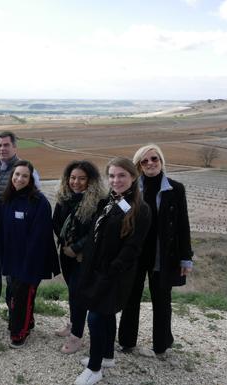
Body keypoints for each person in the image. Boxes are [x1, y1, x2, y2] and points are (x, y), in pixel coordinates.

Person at [74, 157, 151, 385]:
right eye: (112, 175)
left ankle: (94, 368)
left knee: (96, 317)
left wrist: (110, 272)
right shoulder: (110, 201)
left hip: (115, 274)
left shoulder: (141, 209)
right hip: (96, 269)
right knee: (105, 314)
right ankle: (107, 356)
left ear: (133, 177)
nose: (116, 180)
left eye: (121, 175)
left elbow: (132, 248)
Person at [118, 144, 194, 356]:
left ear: (161, 161)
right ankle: (126, 342)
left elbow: (182, 225)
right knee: (130, 298)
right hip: (135, 254)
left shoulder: (175, 189)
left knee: (162, 301)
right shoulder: (131, 189)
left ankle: (161, 346)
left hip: (163, 256)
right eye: (145, 161)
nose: (150, 163)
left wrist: (186, 258)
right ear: (139, 166)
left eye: (154, 159)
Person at [0, 160, 59, 348]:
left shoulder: (39, 203)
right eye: (17, 175)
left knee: (22, 297)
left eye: (25, 176)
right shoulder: (7, 199)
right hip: (11, 259)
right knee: (11, 296)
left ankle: (19, 334)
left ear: (31, 179)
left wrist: (28, 265)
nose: (19, 179)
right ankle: (27, 323)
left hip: (30, 261)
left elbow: (39, 238)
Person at [0, 131, 40, 314]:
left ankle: (12, 306)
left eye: (6, 145)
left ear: (15, 147)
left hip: (14, 231)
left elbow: (35, 199)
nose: (2, 149)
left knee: (12, 271)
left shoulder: (25, 169)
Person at [52, 160, 105, 354]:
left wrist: (76, 248)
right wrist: (66, 245)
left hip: (84, 256)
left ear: (91, 181)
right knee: (72, 291)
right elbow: (56, 222)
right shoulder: (64, 197)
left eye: (82, 178)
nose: (76, 182)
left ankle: (77, 336)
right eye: (73, 178)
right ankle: (74, 322)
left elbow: (95, 230)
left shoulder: (99, 201)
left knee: (78, 293)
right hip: (65, 254)